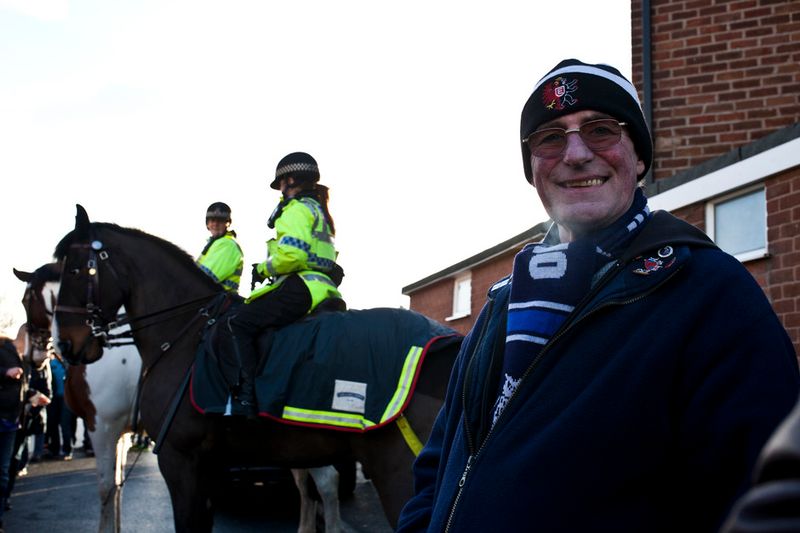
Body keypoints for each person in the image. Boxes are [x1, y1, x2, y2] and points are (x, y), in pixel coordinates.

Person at [396, 59, 800, 533]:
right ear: (532, 169)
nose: (575, 153)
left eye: (601, 130)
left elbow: (764, 497)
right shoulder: (502, 303)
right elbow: (438, 467)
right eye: (549, 137)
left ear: (640, 157)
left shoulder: (708, 292)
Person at [224, 152, 343, 414]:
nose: (279, 189)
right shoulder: (318, 208)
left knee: (240, 322)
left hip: (301, 287)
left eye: (280, 183)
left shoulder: (296, 209)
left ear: (289, 180)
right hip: (324, 289)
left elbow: (293, 254)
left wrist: (263, 267)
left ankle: (246, 397)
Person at [196, 202, 244, 293]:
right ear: (207, 224)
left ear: (227, 223)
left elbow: (205, 278)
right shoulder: (214, 243)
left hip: (220, 302)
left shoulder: (227, 245)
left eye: (220, 220)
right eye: (212, 220)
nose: (215, 224)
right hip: (213, 301)